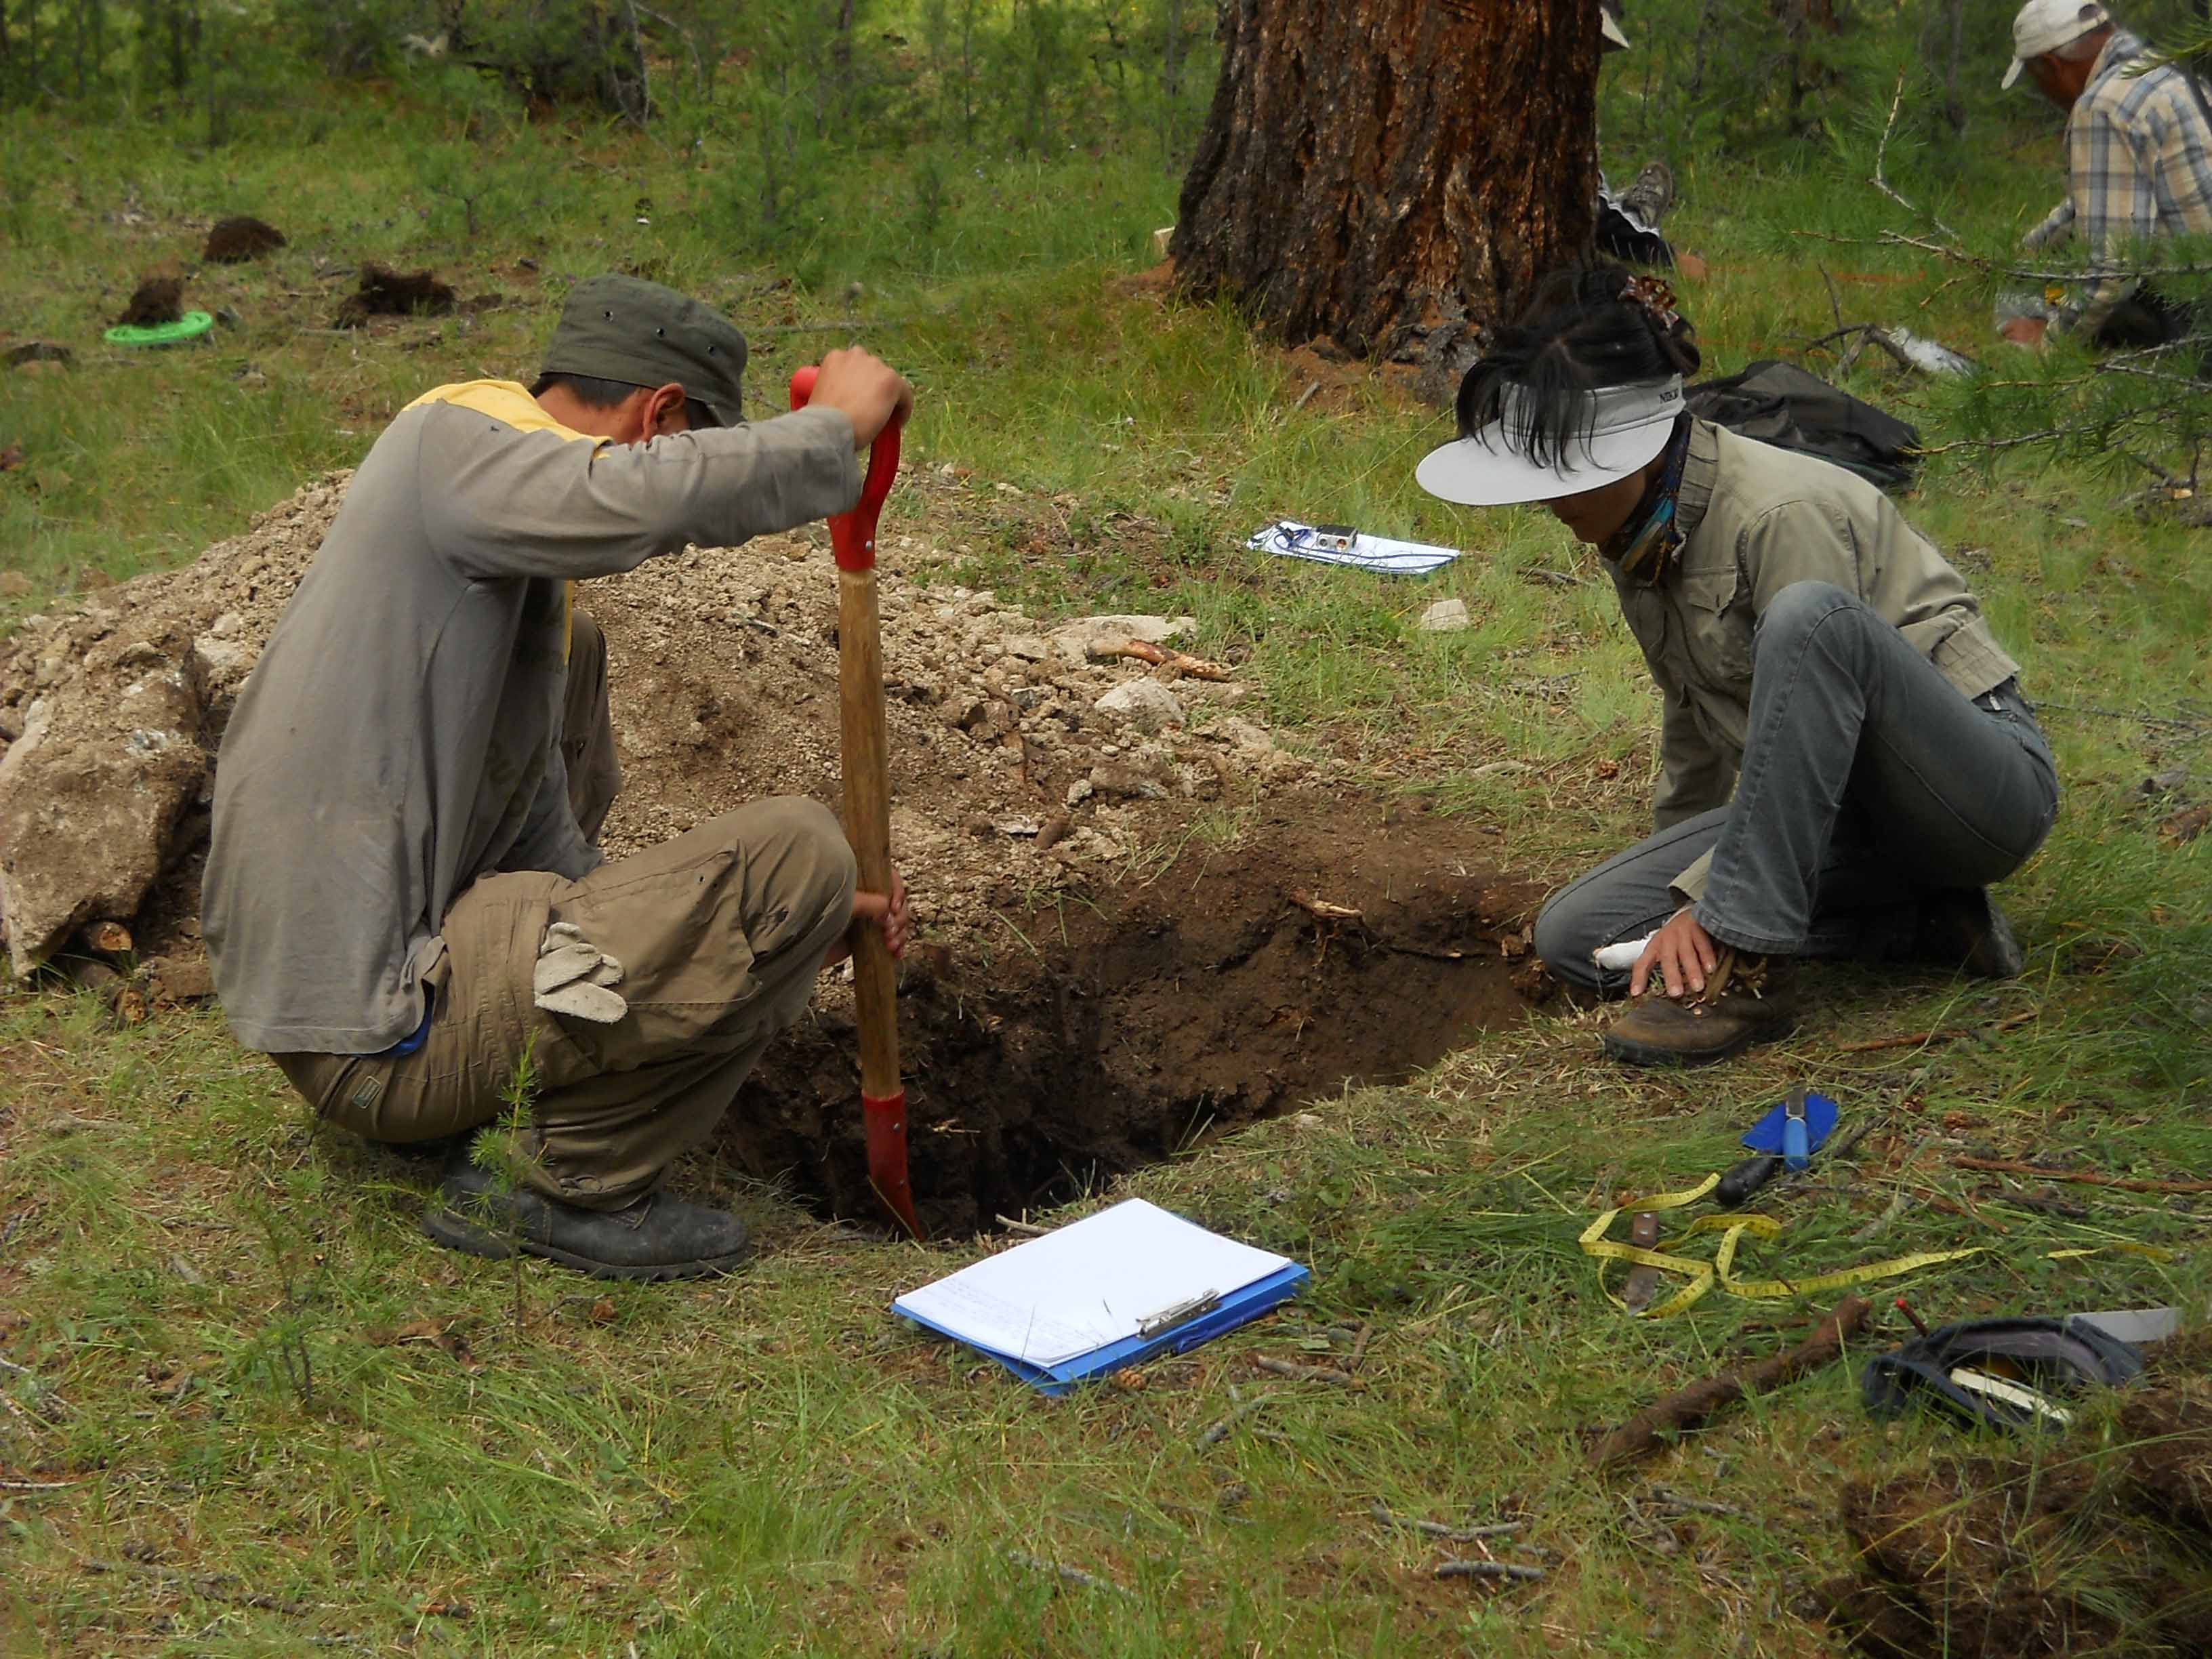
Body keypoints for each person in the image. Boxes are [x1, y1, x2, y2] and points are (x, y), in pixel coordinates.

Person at [203, 276, 916, 1278]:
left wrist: (756, 927)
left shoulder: (520, 602)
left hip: (384, 1000)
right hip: (371, 1035)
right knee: (798, 846)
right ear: (660, 414)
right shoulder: (450, 447)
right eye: (686, 439)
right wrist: (827, 434)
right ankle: (549, 1184)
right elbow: (632, 498)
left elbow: (550, 864)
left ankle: (501, 1114)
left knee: (786, 873)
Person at [1416, 266, 2059, 1067]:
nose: (1548, 505)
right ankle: (1919, 924)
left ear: (1634, 452)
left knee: (1809, 616)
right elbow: (1694, 719)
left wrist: (1713, 906)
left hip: (1971, 798)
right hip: (1835, 812)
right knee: (1577, 939)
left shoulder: (1779, 513)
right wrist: (1677, 878)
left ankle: (1750, 970)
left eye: (1562, 478)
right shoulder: (1638, 525)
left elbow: (1826, 713)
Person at [1999, 0, 2212, 351]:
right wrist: (2022, 256)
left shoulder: (2103, 106)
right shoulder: (2166, 72)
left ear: (2052, 66)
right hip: (2199, 282)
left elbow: (2110, 273)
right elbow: (2097, 201)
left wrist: (2047, 343)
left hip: (2194, 316)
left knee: (2063, 287)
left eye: (2036, 80)